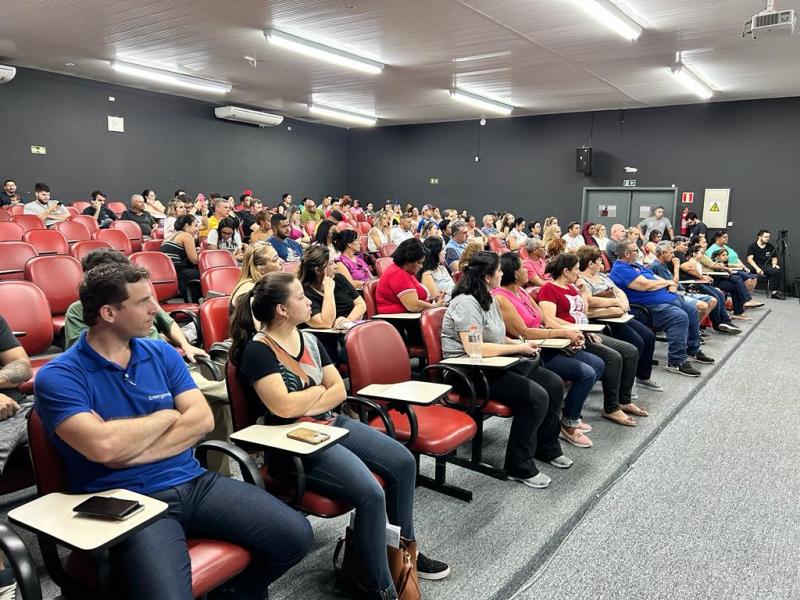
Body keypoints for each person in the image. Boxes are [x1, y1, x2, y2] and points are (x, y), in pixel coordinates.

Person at [35, 262, 313, 599]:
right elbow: (103, 447)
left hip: (192, 481)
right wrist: (167, 416)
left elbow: (202, 421)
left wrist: (126, 448)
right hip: (126, 500)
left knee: (296, 536)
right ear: (108, 312)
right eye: (142, 302)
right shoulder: (59, 375)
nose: (156, 309)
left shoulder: (162, 352)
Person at [229, 272, 449, 597]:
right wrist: (319, 392)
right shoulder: (257, 351)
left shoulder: (312, 340)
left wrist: (312, 397)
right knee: (371, 494)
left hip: (329, 424)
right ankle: (379, 588)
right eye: (300, 298)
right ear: (281, 310)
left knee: (402, 461)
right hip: (291, 443)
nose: (308, 302)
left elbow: (339, 393)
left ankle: (403, 553)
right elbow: (284, 409)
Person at [442, 252, 570, 487]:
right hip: (467, 372)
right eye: (499, 271)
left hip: (493, 366)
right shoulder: (466, 302)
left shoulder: (488, 299)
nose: (503, 274)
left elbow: (498, 338)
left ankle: (547, 447)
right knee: (536, 397)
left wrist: (519, 345)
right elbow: (475, 348)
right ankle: (518, 466)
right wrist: (516, 349)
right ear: (488, 276)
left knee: (553, 384)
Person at [492, 253, 600, 447]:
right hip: (530, 349)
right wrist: (563, 334)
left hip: (548, 341)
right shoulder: (501, 298)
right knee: (586, 373)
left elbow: (544, 319)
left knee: (597, 363)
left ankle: (570, 414)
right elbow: (524, 332)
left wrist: (568, 331)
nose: (529, 271)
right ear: (515, 274)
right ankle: (568, 424)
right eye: (524, 268)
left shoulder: (522, 291)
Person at [538, 253, 646, 428]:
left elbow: (583, 312)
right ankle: (611, 407)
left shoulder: (573, 287)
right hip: (569, 336)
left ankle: (623, 400)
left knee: (630, 351)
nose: (578, 273)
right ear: (565, 271)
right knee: (613, 358)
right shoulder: (548, 289)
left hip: (585, 332)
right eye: (575, 270)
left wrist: (581, 292)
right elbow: (549, 319)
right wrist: (576, 330)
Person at [609, 240, 714, 377]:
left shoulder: (636, 265)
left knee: (691, 310)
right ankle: (677, 361)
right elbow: (645, 285)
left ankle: (693, 349)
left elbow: (655, 278)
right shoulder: (620, 269)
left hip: (666, 299)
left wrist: (668, 284)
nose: (639, 252)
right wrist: (668, 282)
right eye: (636, 250)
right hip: (645, 308)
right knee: (679, 317)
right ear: (627, 253)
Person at [575, 246, 664, 392]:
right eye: (599, 260)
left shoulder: (602, 276)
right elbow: (590, 301)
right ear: (590, 264)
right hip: (603, 319)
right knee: (636, 342)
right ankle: (626, 382)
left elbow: (618, 290)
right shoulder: (582, 281)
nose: (602, 263)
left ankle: (643, 376)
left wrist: (623, 301)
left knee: (648, 336)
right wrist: (615, 302)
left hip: (619, 315)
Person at [674, 242, 742, 333]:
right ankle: (718, 323)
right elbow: (691, 272)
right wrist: (702, 277)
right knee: (716, 297)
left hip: (701, 282)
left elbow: (699, 274)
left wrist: (705, 277)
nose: (703, 255)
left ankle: (725, 320)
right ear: (694, 254)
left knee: (720, 294)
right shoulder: (690, 261)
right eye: (701, 253)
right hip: (694, 284)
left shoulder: (696, 262)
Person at [649, 241, 715, 325]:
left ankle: (694, 328)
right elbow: (674, 286)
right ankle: (693, 329)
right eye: (671, 253)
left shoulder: (663, 264)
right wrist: (676, 266)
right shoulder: (658, 266)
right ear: (663, 253)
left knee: (712, 301)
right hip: (675, 295)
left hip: (682, 292)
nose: (673, 255)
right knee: (703, 306)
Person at [376, 239, 445, 314]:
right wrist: (434, 306)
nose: (421, 266)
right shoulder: (397, 274)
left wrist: (434, 297)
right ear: (408, 260)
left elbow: (417, 297)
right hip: (398, 319)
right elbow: (413, 306)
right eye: (419, 263)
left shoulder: (407, 272)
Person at [230, 243, 284, 311]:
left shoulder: (267, 286)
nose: (282, 261)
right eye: (275, 259)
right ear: (261, 269)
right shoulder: (249, 291)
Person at [160, 215, 200, 300]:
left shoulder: (169, 237)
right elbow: (195, 261)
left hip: (168, 274)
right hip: (180, 275)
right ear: (186, 225)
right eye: (195, 226)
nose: (197, 229)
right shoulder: (186, 235)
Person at [746, 229, 784, 299]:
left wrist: (774, 264)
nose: (768, 238)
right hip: (754, 265)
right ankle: (742, 290)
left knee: (777, 271)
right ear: (760, 237)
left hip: (765, 266)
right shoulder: (752, 246)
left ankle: (774, 292)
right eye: (766, 237)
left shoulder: (770, 247)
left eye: (768, 237)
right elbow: (750, 259)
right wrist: (757, 269)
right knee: (744, 269)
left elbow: (774, 259)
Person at [418, 237, 455, 303]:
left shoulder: (442, 268)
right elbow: (436, 301)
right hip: (447, 306)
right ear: (434, 253)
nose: (445, 252)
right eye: (442, 249)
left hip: (455, 299)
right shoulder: (427, 275)